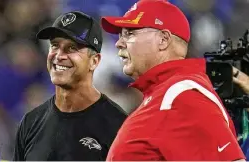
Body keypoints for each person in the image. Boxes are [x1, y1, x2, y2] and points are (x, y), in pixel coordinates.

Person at [101, 0, 245, 161]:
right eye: (120, 35)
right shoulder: (165, 94)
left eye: (130, 33)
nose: (119, 43)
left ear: (163, 40)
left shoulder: (182, 94)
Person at [13, 11, 127, 161]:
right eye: (54, 45)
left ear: (94, 61)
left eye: (72, 48)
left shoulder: (118, 125)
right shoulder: (31, 122)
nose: (59, 55)